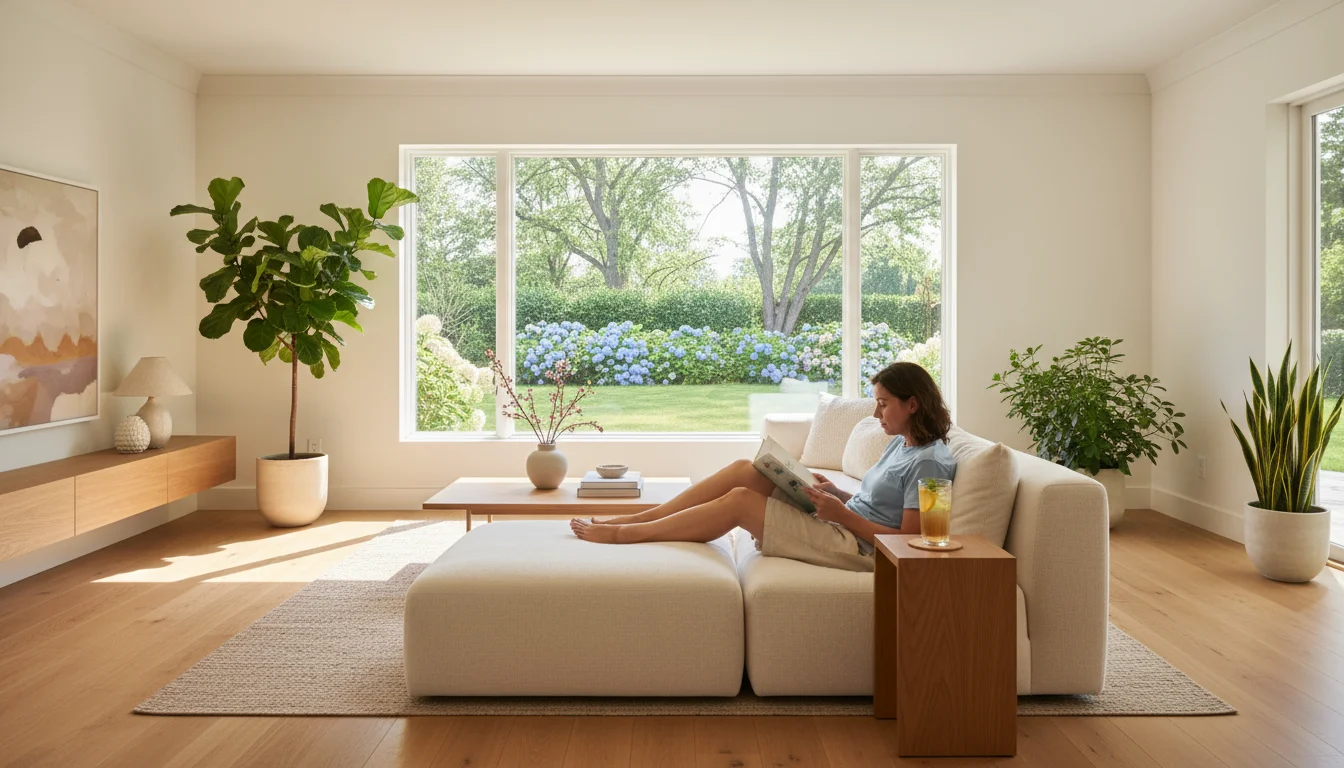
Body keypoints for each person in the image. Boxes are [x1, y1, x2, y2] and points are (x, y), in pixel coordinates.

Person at [569, 362, 956, 572]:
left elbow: (907, 541)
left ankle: (626, 535)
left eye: (884, 403)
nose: (876, 412)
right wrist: (836, 494)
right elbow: (875, 502)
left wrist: (841, 515)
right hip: (843, 520)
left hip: (857, 548)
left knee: (740, 501)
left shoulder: (930, 462)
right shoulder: (903, 444)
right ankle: (642, 517)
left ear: (913, 404)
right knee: (745, 470)